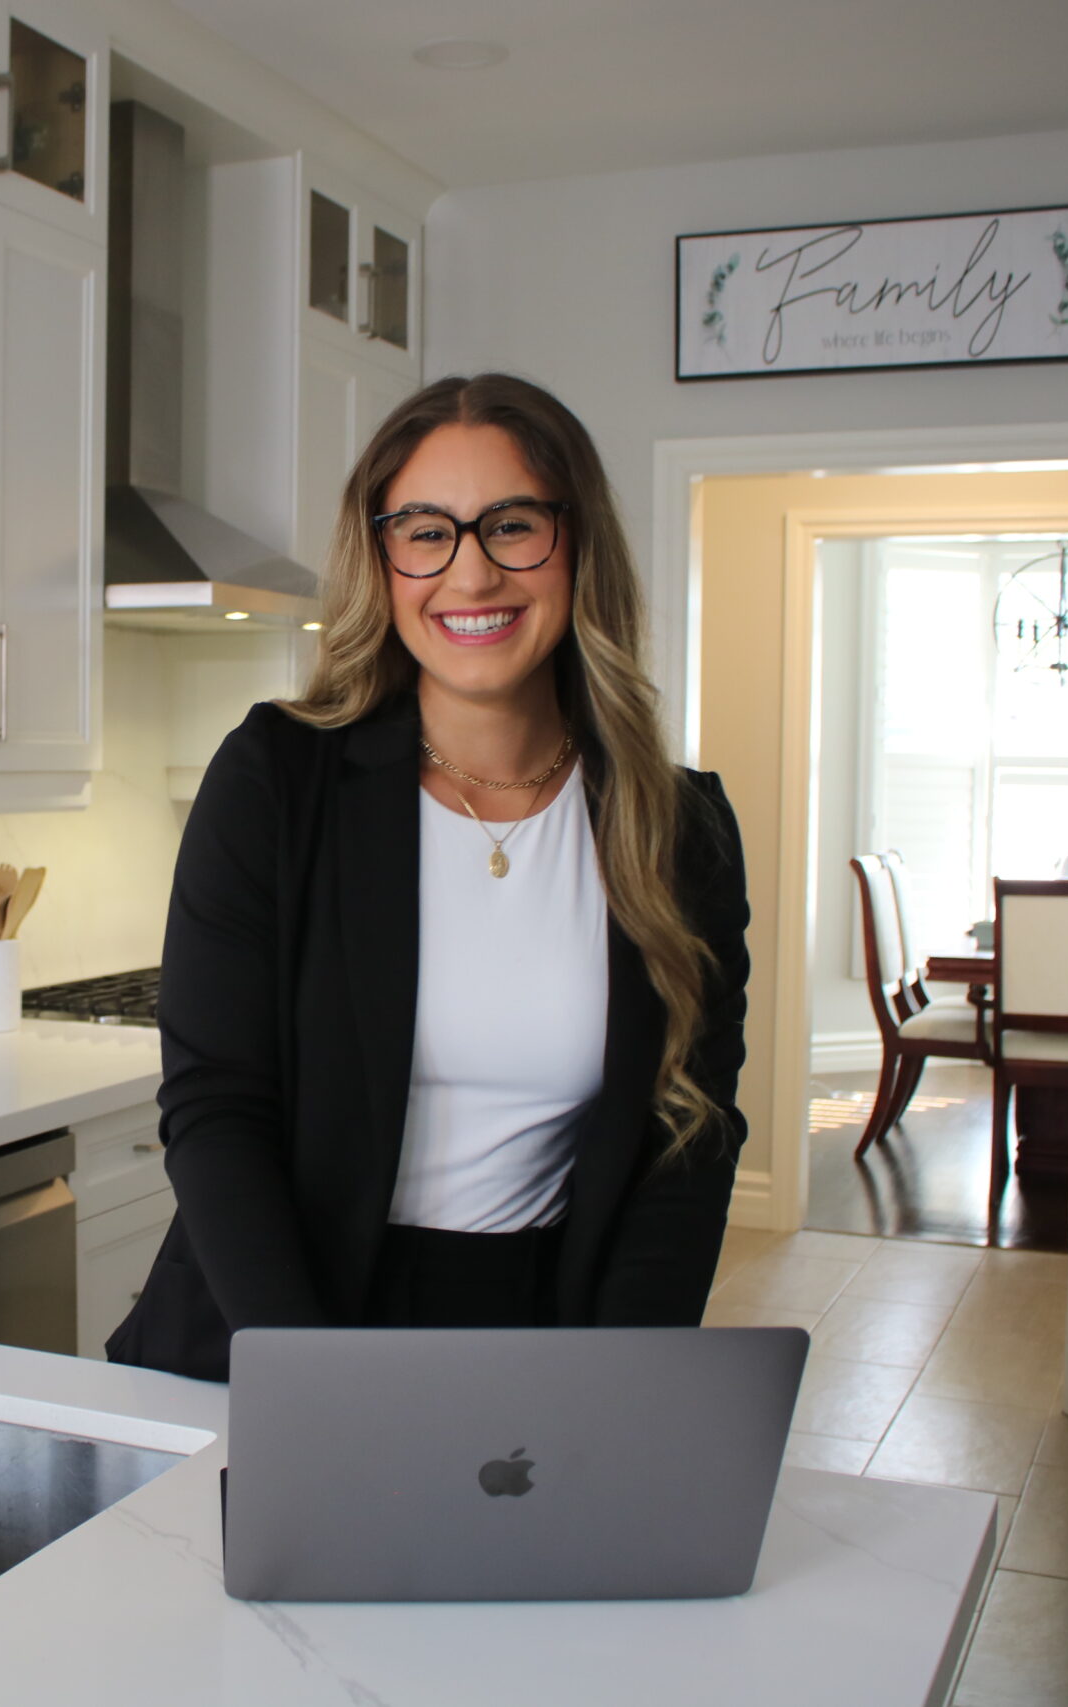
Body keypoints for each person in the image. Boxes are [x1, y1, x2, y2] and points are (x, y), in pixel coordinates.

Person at [104, 373, 751, 1383]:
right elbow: (217, 1111)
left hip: (529, 1350)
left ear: (577, 546)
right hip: (261, 1340)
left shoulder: (678, 830)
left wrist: (627, 1392)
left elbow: (687, 1142)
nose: (470, 572)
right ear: (382, 558)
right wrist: (317, 1387)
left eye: (511, 525)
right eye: (424, 531)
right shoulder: (277, 780)